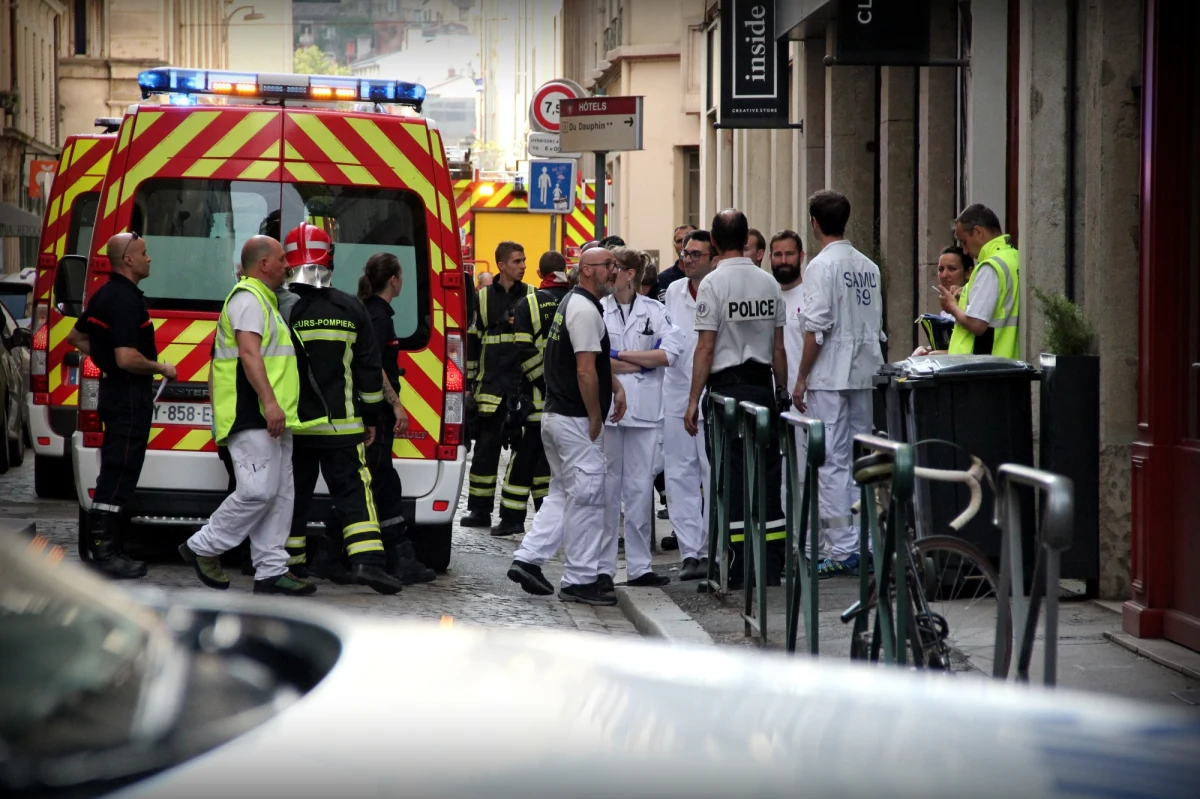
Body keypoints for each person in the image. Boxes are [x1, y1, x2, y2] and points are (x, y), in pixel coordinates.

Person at [178, 236, 314, 596]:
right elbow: (249, 355)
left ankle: (271, 570)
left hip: (274, 418)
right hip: (252, 414)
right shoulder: (248, 299)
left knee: (281, 494)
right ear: (263, 264)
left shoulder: (264, 302)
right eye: (283, 259)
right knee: (258, 490)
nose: (288, 265)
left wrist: (277, 408)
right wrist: (269, 403)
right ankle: (202, 546)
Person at [281, 222, 404, 596]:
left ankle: (291, 564)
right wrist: (370, 419)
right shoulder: (351, 307)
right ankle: (368, 561)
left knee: (294, 496)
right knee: (354, 494)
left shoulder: (279, 308)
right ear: (328, 259)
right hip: (343, 427)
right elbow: (369, 372)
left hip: (294, 426)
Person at [505, 247, 627, 604]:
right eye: (608, 266)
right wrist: (594, 416)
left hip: (556, 416)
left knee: (562, 493)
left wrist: (614, 387)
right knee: (588, 498)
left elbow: (589, 364)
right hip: (575, 419)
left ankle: (529, 558)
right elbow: (585, 369)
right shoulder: (585, 310)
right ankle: (580, 580)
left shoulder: (572, 304)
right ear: (587, 271)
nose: (613, 272)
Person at [684, 209, 789, 586]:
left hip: (726, 392)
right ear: (746, 240)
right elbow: (779, 348)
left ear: (713, 241)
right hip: (763, 388)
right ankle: (773, 565)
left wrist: (693, 399)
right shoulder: (768, 283)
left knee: (731, 479)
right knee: (768, 476)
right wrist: (781, 391)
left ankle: (740, 568)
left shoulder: (713, 284)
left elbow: (705, 348)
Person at [67, 232, 176, 579]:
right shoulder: (126, 300)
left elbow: (77, 337)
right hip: (129, 395)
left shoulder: (105, 294)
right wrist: (161, 368)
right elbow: (127, 357)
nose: (150, 259)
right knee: (121, 470)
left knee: (115, 467)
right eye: (144, 253)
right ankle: (106, 551)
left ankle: (105, 546)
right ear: (127, 259)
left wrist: (105, 358)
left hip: (115, 392)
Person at [792, 190, 885, 578]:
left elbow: (816, 328)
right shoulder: (868, 266)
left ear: (814, 223)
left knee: (832, 462)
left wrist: (801, 377)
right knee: (862, 459)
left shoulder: (820, 266)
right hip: (864, 371)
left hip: (830, 376)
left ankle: (843, 547)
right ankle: (865, 542)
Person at [357, 253, 437, 584]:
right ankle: (398, 558)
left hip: (376, 413)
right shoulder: (379, 318)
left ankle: (334, 556)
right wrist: (397, 406)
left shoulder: (374, 314)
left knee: (378, 483)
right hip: (377, 414)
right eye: (401, 275)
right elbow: (374, 365)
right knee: (382, 483)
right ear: (393, 280)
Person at [600, 247, 675, 589]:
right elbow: (595, 359)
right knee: (607, 490)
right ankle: (602, 568)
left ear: (631, 274)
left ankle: (640, 567)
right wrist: (640, 361)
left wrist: (622, 356)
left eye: (615, 267)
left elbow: (668, 354)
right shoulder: (599, 311)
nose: (610, 272)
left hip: (645, 411)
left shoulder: (656, 311)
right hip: (611, 411)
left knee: (640, 490)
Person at [462, 241, 543, 534]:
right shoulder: (482, 298)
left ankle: (524, 516)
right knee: (485, 452)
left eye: (524, 260)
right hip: (491, 387)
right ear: (502, 265)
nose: (522, 266)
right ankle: (480, 510)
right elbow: (472, 342)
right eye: (517, 261)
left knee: (526, 454)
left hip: (522, 387)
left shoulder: (533, 296)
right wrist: (469, 387)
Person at [499, 251, 572, 532]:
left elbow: (524, 349)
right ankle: (548, 516)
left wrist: (544, 382)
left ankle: (512, 518)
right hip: (569, 402)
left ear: (540, 274)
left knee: (524, 457)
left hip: (537, 400)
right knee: (552, 464)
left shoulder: (528, 303)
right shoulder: (575, 300)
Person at [660, 229, 717, 580]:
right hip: (677, 390)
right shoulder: (672, 294)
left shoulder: (719, 290)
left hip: (711, 389)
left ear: (713, 259)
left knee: (711, 471)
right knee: (679, 473)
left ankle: (711, 548)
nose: (689, 258)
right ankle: (689, 552)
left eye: (696, 254)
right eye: (685, 253)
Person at [941, 204, 1021, 358]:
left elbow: (977, 324)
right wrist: (964, 294)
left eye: (964, 242)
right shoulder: (1013, 257)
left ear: (978, 232)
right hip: (1005, 362)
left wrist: (952, 307)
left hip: (983, 366)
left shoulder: (989, 267)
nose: (964, 250)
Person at [770, 230, 809, 510]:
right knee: (782, 479)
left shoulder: (810, 296)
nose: (783, 260)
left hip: (805, 403)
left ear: (801, 257)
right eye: (778, 254)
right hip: (773, 404)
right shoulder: (767, 296)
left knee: (806, 478)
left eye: (789, 254)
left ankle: (814, 547)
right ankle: (792, 546)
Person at [913, 245, 975, 356]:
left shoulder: (975, 306)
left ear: (968, 273)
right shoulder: (946, 310)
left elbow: (977, 349)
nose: (944, 275)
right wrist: (925, 350)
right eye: (941, 269)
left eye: (952, 269)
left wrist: (945, 354)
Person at [655, 223, 696, 301]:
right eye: (679, 241)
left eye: (688, 239)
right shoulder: (662, 279)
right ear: (675, 246)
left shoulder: (708, 275)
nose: (684, 245)